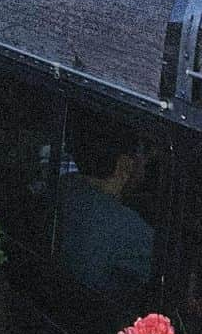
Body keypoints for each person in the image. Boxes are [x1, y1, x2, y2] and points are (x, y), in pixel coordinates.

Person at [55, 121, 154, 295]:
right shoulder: (134, 232)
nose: (144, 169)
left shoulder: (57, 190)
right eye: (144, 161)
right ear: (125, 165)